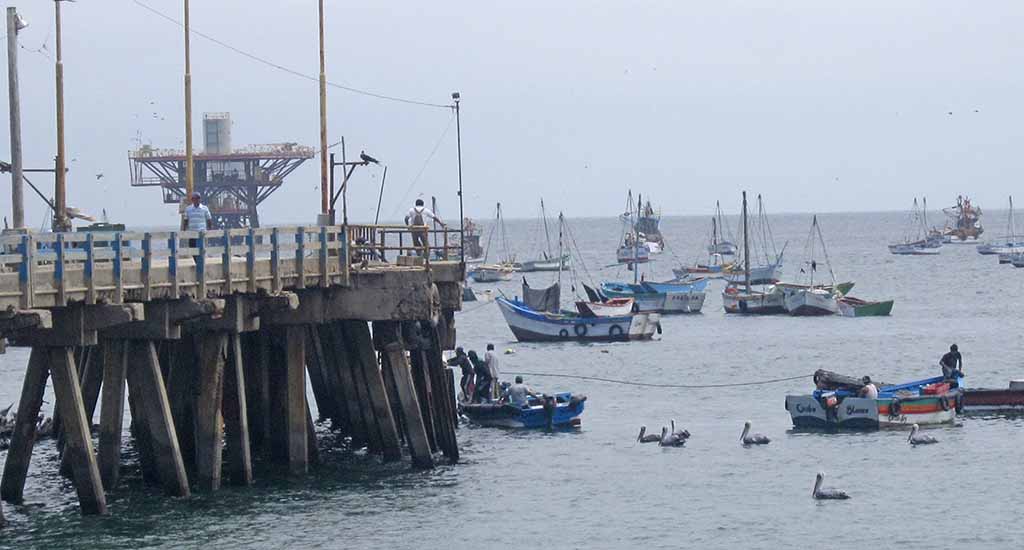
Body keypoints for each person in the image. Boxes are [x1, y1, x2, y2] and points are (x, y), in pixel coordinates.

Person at [181, 192, 213, 264]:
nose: (197, 200)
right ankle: (197, 262)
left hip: (202, 232)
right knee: (192, 248)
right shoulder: (188, 209)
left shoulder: (205, 208)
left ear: (200, 199)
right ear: (192, 200)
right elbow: (186, 220)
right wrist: (183, 230)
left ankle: (200, 263)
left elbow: (209, 219)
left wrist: (210, 230)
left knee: (201, 249)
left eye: (198, 198)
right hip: (192, 232)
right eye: (195, 198)